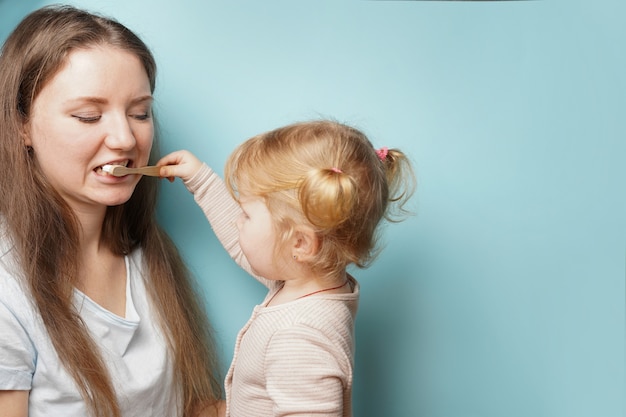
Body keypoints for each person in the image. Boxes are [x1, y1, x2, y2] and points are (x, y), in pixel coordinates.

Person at [0, 5, 224, 417]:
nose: (125, 138)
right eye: (88, 116)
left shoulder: (146, 251)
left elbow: (179, 409)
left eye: (140, 113)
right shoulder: (6, 290)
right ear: (22, 125)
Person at [158, 120, 416, 416]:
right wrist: (200, 180)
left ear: (301, 244)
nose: (237, 222)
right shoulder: (308, 283)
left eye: (246, 214)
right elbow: (242, 244)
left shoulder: (300, 335)